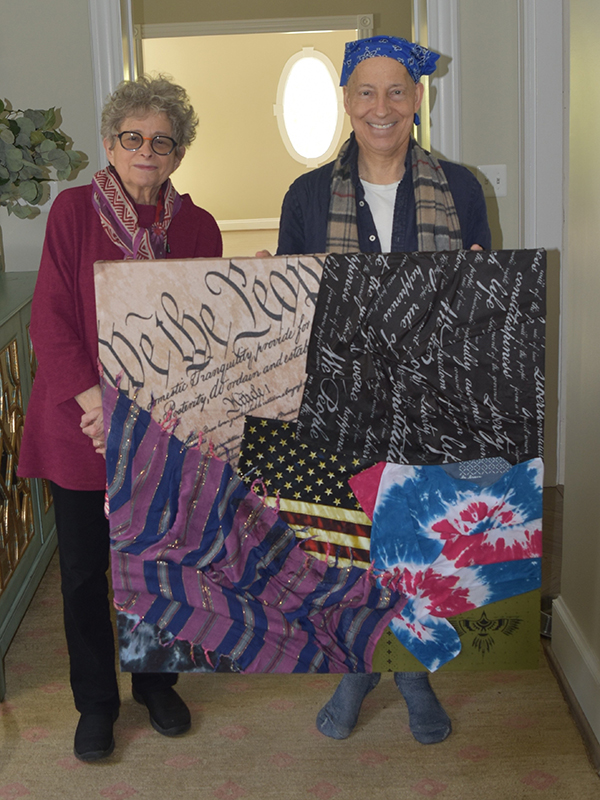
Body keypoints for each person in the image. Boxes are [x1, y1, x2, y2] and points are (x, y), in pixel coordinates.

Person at [275, 36, 492, 744]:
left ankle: (411, 670)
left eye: (396, 91)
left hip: (431, 397)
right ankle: (357, 665)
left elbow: (484, 299)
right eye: (366, 92)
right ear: (346, 102)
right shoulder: (307, 194)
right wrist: (268, 286)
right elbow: (291, 304)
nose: (382, 107)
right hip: (342, 397)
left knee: (416, 534)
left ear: (417, 99)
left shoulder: (460, 188)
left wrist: (485, 282)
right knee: (347, 537)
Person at [18, 75, 222, 762]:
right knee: (83, 573)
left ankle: (155, 685)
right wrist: (96, 402)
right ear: (109, 142)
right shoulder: (72, 213)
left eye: (161, 141)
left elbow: (204, 333)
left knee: (161, 562)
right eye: (132, 138)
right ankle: (96, 703)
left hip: (161, 431)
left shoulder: (198, 227)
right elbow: (49, 321)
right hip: (80, 428)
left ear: (178, 153)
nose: (146, 151)